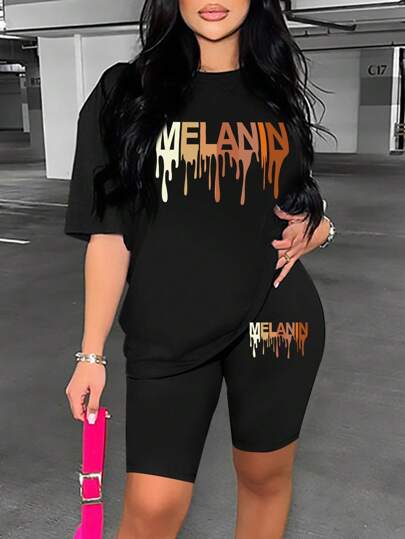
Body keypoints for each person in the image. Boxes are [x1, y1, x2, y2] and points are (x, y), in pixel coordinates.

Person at [64, 1, 336, 537]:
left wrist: (322, 226)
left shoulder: (274, 90)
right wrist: (91, 354)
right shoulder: (125, 92)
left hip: (275, 322)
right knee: (152, 507)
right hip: (167, 325)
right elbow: (109, 234)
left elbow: (296, 203)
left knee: (264, 478)